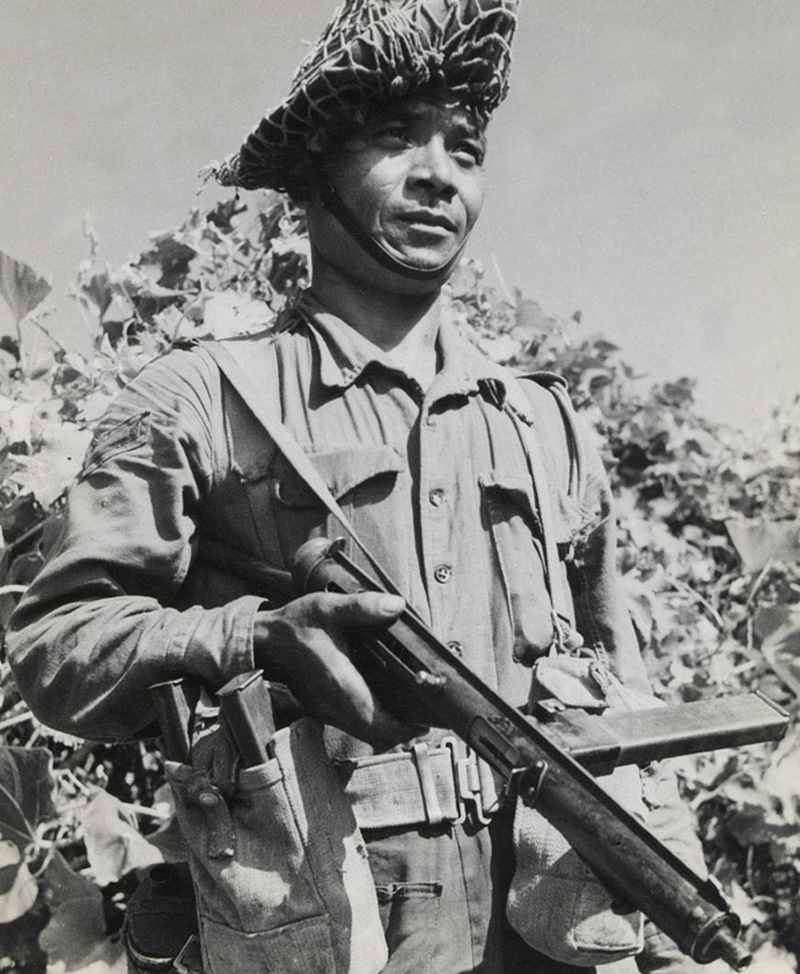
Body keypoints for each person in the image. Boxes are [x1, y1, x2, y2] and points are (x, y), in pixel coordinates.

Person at [8, 1, 707, 972]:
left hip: (552, 909)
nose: (437, 174)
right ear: (311, 173)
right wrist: (250, 636)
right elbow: (54, 644)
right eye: (393, 136)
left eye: (464, 148)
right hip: (325, 912)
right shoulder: (196, 399)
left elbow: (615, 678)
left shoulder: (545, 423)